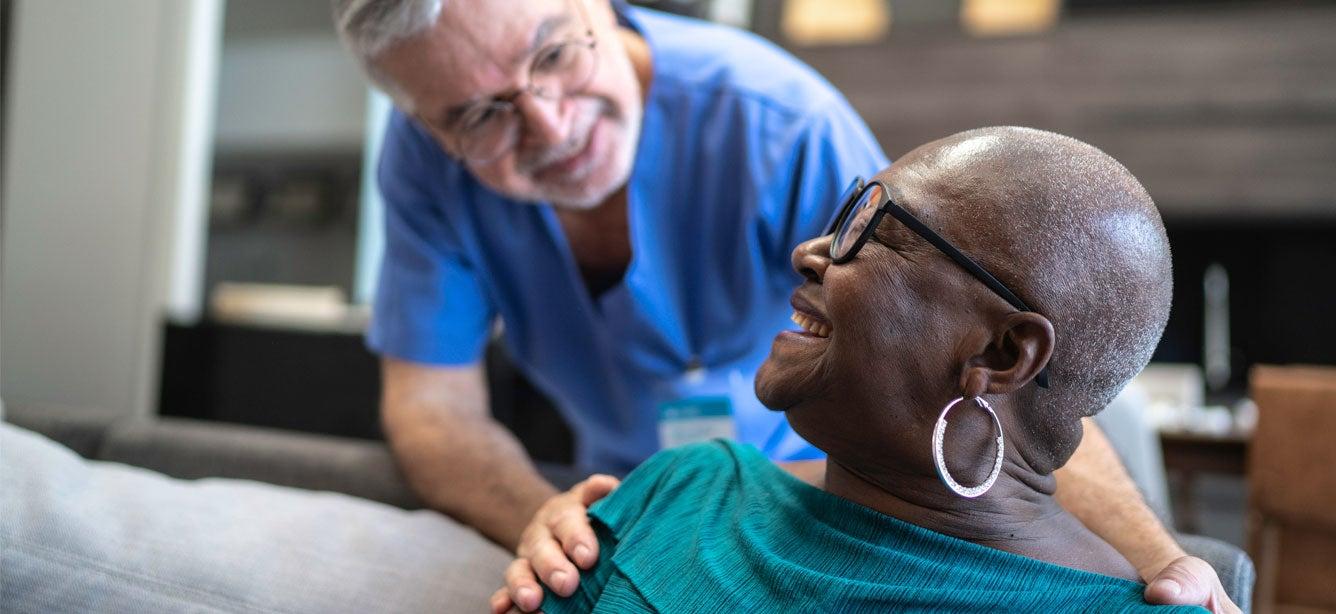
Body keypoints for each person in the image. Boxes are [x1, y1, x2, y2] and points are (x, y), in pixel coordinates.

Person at [335, 0, 1236, 610]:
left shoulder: (777, 123)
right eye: (481, 116)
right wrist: (554, 524)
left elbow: (983, 365)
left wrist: (1165, 568)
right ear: (426, 123)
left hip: (852, 498)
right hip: (633, 495)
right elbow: (431, 407)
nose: (550, 126)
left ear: (599, 8)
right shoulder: (427, 163)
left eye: (554, 57)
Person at [490, 127, 1206, 612]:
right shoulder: (683, 489)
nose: (811, 250)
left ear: (1001, 354)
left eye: (877, 232)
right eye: (844, 216)